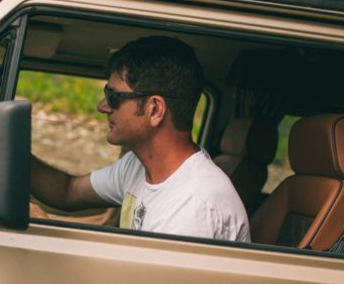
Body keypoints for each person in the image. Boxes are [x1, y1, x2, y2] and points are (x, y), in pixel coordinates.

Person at [31, 36, 250, 242]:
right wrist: (7, 153)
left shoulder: (193, 208)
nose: (102, 106)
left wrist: (43, 230)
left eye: (113, 97)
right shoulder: (137, 166)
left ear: (154, 109)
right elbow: (68, 191)